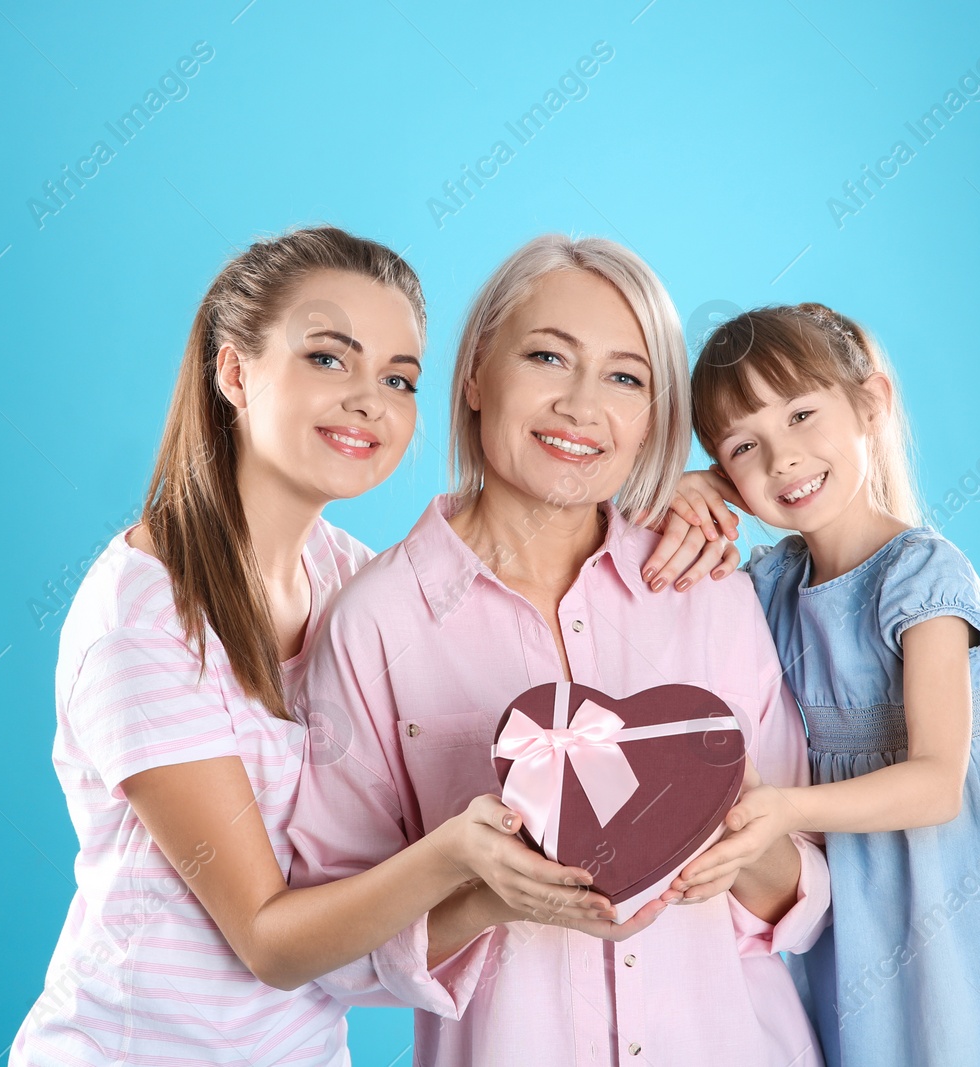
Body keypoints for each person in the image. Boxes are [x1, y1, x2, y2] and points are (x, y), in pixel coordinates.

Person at [9, 227, 736, 1066]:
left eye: (397, 378)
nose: (369, 401)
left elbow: (507, 534)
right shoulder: (145, 619)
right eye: (328, 359)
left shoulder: (346, 579)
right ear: (234, 370)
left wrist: (673, 497)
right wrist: (457, 857)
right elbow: (269, 940)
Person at [287, 235, 831, 1067]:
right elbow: (333, 946)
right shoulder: (375, 624)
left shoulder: (707, 586)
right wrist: (486, 897)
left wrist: (742, 839)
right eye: (548, 356)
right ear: (473, 374)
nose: (582, 407)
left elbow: (816, 892)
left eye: (625, 377)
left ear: (653, 416)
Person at [675, 302, 980, 1065]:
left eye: (801, 415)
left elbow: (934, 785)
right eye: (745, 445)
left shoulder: (920, 573)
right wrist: (676, 493)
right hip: (866, 895)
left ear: (871, 403)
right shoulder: (772, 585)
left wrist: (781, 805)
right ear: (727, 473)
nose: (782, 458)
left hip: (968, 870)